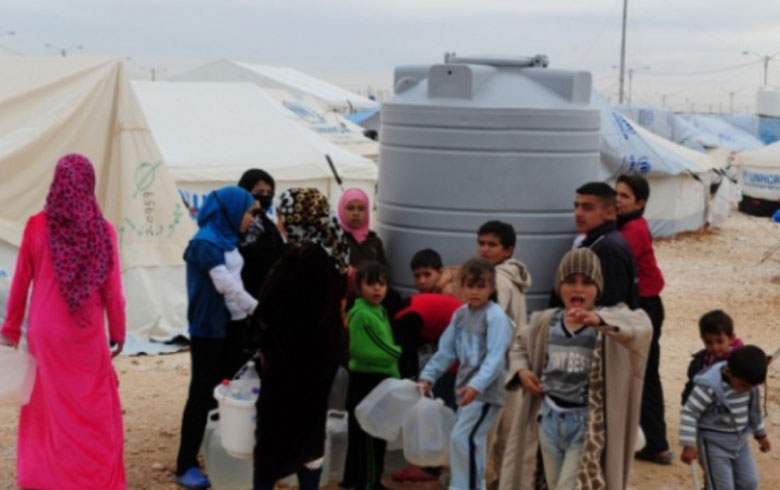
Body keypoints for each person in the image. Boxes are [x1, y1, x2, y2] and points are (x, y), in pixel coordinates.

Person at [0, 154, 127, 489]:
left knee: (47, 408)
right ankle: (91, 476)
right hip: (86, 333)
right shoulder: (103, 230)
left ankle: (46, 475)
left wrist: (10, 329)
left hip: (45, 333)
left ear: (56, 184)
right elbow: (113, 291)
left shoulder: (36, 226)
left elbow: (20, 282)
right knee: (92, 405)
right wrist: (118, 331)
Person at [500, 248, 652, 490]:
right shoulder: (546, 321)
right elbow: (519, 344)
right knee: (553, 484)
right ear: (559, 286)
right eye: (570, 281)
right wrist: (522, 371)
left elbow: (642, 326)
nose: (578, 289)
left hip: (585, 425)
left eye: (587, 282)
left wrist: (601, 321)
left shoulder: (606, 324)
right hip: (548, 420)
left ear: (598, 289)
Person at [253, 188, 350, 490]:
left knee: (274, 436)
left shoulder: (301, 259)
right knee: (311, 431)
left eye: (283, 215)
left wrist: (257, 338)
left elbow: (271, 308)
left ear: (297, 218)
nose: (279, 221)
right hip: (322, 357)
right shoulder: (335, 251)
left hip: (291, 362)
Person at [175, 186, 259, 489]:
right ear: (231, 211)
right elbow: (225, 284)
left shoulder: (228, 238)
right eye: (249, 212)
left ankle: (221, 456)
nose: (251, 219)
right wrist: (258, 309)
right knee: (201, 394)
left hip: (231, 326)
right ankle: (185, 464)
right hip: (209, 329)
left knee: (228, 391)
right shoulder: (205, 243)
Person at [418, 258, 514, 490]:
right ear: (461, 286)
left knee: (462, 439)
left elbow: (495, 358)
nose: (475, 292)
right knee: (471, 441)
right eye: (470, 286)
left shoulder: (495, 317)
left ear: (491, 287)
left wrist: (477, 386)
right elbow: (447, 350)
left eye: (481, 286)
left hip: (485, 392)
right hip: (464, 390)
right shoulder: (461, 314)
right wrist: (428, 376)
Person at [614, 174, 673, 465]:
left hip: (646, 307)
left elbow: (616, 256)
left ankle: (656, 444)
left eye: (624, 196)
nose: (617, 200)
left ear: (640, 203)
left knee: (645, 375)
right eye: (616, 194)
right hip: (642, 305)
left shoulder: (633, 230)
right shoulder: (627, 225)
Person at [475, 220, 531, 486]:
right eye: (481, 243)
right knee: (508, 436)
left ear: (508, 250)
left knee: (483, 434)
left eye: (492, 245)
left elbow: (491, 322)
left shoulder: (497, 279)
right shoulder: (516, 275)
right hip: (513, 367)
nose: (484, 249)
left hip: (494, 368)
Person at [342, 261, 401, 490]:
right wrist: (396, 352)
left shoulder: (378, 311)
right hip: (368, 380)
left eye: (382, 284)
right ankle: (369, 483)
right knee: (370, 434)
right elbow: (364, 350)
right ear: (359, 287)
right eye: (371, 284)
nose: (377, 289)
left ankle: (355, 480)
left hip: (378, 379)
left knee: (368, 435)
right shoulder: (362, 315)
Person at [679, 345, 770, 489]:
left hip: (740, 443)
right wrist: (689, 444)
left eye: (751, 387)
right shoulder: (709, 385)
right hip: (713, 444)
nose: (748, 391)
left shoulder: (749, 384)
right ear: (728, 371)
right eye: (744, 386)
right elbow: (690, 412)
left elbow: (754, 412)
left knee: (749, 483)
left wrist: (761, 435)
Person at [552, 182, 639, 309]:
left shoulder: (608, 248)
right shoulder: (597, 241)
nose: (578, 213)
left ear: (609, 213)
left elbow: (612, 305)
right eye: (576, 206)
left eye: (587, 208)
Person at [237, 168, 286, 298]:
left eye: (269, 192)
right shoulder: (234, 224)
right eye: (259, 192)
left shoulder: (268, 224)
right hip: (241, 296)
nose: (265, 197)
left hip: (269, 295)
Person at [681, 309, 745, 405]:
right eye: (709, 342)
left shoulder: (741, 363)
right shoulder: (700, 361)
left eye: (719, 341)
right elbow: (691, 389)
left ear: (732, 338)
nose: (715, 347)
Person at [338, 187, 387, 268]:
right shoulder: (336, 239)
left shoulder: (375, 242)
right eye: (350, 208)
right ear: (341, 210)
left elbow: (384, 271)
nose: (356, 213)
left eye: (361, 209)